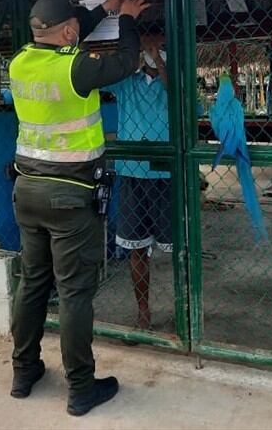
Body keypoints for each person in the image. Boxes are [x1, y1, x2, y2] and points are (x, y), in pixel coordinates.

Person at [7, 0, 150, 416]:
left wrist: (106, 7)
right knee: (74, 293)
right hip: (69, 196)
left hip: (27, 191)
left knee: (33, 283)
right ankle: (82, 388)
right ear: (68, 32)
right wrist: (127, 19)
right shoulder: (76, 69)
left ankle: (23, 372)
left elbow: (68, 31)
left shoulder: (20, 62)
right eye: (74, 27)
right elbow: (126, 61)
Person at [102, 34, 171, 331]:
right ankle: (143, 310)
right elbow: (101, 79)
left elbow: (181, 98)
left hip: (166, 175)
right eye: (149, 48)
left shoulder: (175, 82)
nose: (154, 53)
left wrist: (161, 63)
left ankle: (185, 307)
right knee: (136, 248)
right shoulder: (128, 84)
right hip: (132, 173)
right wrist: (133, 59)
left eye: (160, 48)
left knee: (178, 247)